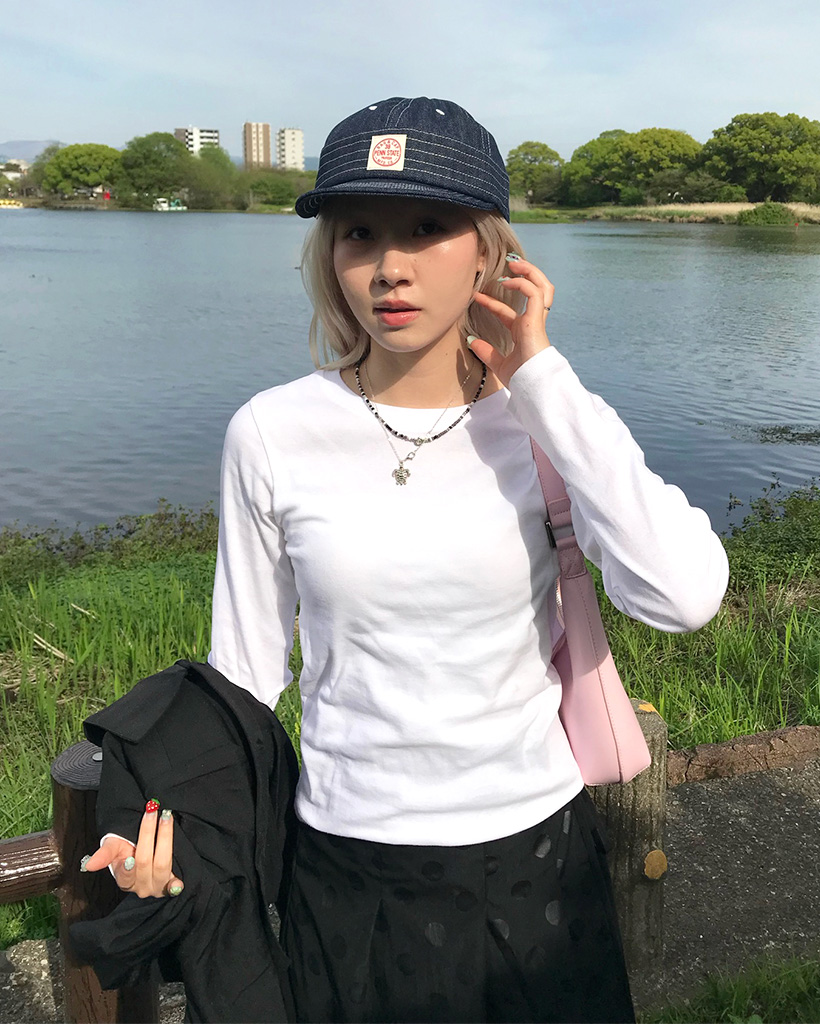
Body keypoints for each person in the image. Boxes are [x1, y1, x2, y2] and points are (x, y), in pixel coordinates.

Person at [84, 97, 729, 1023]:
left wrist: (542, 379)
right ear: (329, 254)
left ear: (489, 252)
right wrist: (166, 827)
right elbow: (245, 675)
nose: (390, 266)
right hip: (347, 867)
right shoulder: (271, 432)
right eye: (360, 233)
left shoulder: (546, 423)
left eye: (427, 228)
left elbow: (683, 596)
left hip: (535, 854)